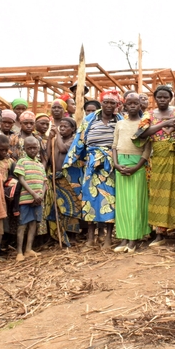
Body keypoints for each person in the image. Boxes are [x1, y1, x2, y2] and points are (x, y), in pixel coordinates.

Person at [64, 91, 120, 248]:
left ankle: (108, 238)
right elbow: (80, 140)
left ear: (117, 105)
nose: (109, 105)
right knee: (89, 200)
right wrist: (74, 160)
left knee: (109, 201)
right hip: (91, 165)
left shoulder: (119, 121)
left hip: (110, 166)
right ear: (101, 103)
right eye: (106, 102)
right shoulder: (89, 120)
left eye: (112, 103)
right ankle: (90, 238)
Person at [136, 85, 175, 246]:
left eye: (166, 97)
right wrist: (161, 125)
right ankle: (160, 233)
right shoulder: (149, 114)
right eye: (159, 97)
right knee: (158, 194)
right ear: (155, 98)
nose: (162, 100)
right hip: (158, 158)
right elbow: (141, 133)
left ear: (170, 98)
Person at [111, 93, 151, 253]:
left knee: (135, 203)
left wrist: (137, 167)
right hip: (121, 164)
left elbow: (147, 148)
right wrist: (116, 164)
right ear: (124, 106)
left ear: (141, 106)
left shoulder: (144, 124)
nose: (133, 106)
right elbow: (114, 146)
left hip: (137, 165)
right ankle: (123, 238)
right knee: (122, 204)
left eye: (136, 103)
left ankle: (134, 238)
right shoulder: (120, 123)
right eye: (130, 103)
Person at [47, 117, 82, 242]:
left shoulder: (73, 139)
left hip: (67, 177)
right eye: (60, 126)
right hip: (55, 176)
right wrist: (49, 139)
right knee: (58, 207)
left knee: (71, 207)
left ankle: (72, 236)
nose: (61, 128)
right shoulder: (57, 140)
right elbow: (48, 155)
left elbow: (63, 150)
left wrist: (56, 135)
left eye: (65, 127)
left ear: (72, 129)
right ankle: (60, 235)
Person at [14, 137, 45, 260]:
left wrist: (40, 195)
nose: (32, 150)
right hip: (26, 199)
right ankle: (19, 252)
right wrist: (33, 194)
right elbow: (21, 179)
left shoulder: (40, 164)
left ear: (38, 148)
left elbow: (44, 182)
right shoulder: (22, 162)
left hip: (38, 200)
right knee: (22, 225)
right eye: (29, 148)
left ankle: (28, 249)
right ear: (24, 149)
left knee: (33, 224)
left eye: (35, 148)